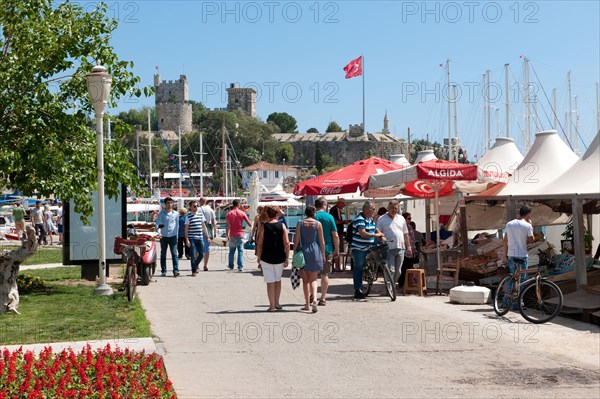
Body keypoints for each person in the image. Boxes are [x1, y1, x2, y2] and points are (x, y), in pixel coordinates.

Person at [256, 205, 290, 312]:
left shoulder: (264, 226)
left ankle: (272, 305)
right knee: (278, 280)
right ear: (277, 215)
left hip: (266, 256)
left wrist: (259, 257)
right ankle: (277, 303)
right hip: (280, 256)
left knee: (270, 281)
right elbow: (287, 243)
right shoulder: (282, 226)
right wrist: (287, 257)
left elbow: (259, 243)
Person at [294, 205, 326, 313]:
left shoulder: (300, 223)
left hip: (303, 251)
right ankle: (315, 300)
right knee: (314, 279)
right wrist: (323, 254)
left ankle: (307, 304)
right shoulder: (318, 224)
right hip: (315, 251)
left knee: (305, 280)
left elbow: (296, 239)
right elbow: (322, 241)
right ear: (314, 213)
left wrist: (294, 253)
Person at [350, 201, 385, 300]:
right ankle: (358, 290)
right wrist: (376, 236)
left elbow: (375, 228)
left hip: (369, 245)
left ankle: (381, 269)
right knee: (359, 267)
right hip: (359, 247)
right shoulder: (359, 219)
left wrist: (381, 235)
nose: (374, 211)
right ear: (367, 209)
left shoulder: (370, 219)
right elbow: (363, 234)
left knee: (384, 246)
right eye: (373, 209)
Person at [376, 200, 411, 290]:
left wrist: (409, 246)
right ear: (388, 208)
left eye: (396, 208)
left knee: (398, 271)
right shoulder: (382, 219)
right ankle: (390, 288)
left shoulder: (401, 218)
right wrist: (381, 236)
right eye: (392, 208)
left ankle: (392, 284)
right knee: (391, 270)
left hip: (401, 247)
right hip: (388, 248)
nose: (394, 210)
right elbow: (377, 230)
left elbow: (405, 233)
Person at [314, 197, 339, 306]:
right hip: (327, 249)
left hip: (313, 248)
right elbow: (335, 235)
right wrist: (337, 248)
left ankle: (313, 296)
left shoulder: (312, 216)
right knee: (325, 274)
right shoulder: (330, 217)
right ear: (324, 205)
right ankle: (323, 298)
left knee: (313, 274)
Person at [502, 206, 535, 282]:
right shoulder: (528, 225)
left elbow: (505, 241)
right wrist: (531, 225)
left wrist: (504, 255)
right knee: (521, 281)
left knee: (512, 279)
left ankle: (509, 293)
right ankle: (519, 293)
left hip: (511, 255)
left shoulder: (509, 224)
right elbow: (531, 240)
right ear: (529, 214)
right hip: (522, 256)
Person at [155, 197, 180, 277]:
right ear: (165, 204)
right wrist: (159, 233)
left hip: (173, 236)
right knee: (163, 254)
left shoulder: (176, 214)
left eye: (171, 203)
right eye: (168, 203)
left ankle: (176, 270)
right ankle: (164, 270)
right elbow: (158, 224)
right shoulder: (161, 214)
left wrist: (177, 236)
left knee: (174, 253)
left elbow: (177, 225)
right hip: (164, 236)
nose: (169, 205)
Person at [185, 200, 210, 276]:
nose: (196, 207)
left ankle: (195, 265)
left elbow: (204, 226)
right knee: (193, 254)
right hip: (192, 238)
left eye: (197, 206)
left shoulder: (200, 215)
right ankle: (193, 271)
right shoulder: (188, 216)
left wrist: (207, 236)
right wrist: (187, 240)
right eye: (194, 206)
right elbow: (186, 229)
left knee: (201, 254)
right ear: (190, 207)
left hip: (200, 237)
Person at [226, 199, 251, 271]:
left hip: (232, 234)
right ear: (238, 204)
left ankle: (231, 266)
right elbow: (249, 224)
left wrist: (227, 235)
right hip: (240, 234)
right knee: (240, 250)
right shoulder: (242, 213)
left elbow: (227, 226)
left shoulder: (229, 214)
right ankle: (240, 267)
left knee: (231, 251)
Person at [329, 198, 350, 271]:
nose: (344, 205)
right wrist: (345, 222)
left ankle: (335, 266)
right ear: (339, 203)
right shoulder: (335, 210)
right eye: (343, 204)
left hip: (336, 232)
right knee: (337, 249)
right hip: (337, 233)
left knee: (336, 249)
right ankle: (337, 267)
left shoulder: (334, 210)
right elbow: (337, 222)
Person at [399, 212, 418, 288]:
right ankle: (402, 282)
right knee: (404, 267)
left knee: (410, 267)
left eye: (410, 218)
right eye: (408, 218)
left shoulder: (410, 227)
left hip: (411, 250)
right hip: (405, 251)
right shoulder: (402, 227)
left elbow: (412, 238)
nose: (410, 220)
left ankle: (408, 282)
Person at [199, 197, 217, 271]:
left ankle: (197, 265)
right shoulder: (210, 210)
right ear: (205, 201)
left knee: (198, 248)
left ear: (200, 202)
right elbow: (213, 222)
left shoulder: (198, 209)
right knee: (207, 248)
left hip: (199, 230)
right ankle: (205, 265)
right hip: (208, 230)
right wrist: (214, 232)